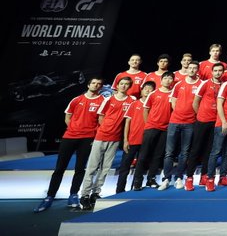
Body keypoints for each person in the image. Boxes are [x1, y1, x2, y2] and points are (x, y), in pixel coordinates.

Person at [35, 77, 104, 212]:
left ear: (101, 87)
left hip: (88, 138)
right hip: (70, 137)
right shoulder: (77, 99)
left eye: (99, 84)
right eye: (94, 83)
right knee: (60, 168)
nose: (96, 85)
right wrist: (74, 128)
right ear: (89, 85)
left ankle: (73, 195)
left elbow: (101, 120)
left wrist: (89, 132)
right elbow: (68, 116)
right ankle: (49, 197)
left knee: (80, 169)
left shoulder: (102, 101)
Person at [78, 77, 135, 209]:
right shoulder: (108, 99)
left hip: (115, 139)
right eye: (122, 84)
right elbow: (100, 116)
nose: (124, 86)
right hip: (101, 136)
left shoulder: (131, 101)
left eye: (127, 84)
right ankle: (84, 195)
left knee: (105, 168)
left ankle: (95, 193)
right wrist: (106, 129)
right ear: (117, 85)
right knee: (92, 167)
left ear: (129, 86)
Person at [159, 61, 200, 190]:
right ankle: (166, 179)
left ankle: (178, 178)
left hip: (190, 123)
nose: (192, 70)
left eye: (194, 68)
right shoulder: (179, 84)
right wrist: (179, 114)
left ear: (197, 70)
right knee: (169, 153)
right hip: (174, 121)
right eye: (190, 68)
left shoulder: (200, 84)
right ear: (186, 70)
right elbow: (174, 102)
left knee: (184, 153)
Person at [183, 63, 224, 191]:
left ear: (223, 72)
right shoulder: (205, 83)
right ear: (211, 72)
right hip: (202, 121)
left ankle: (204, 176)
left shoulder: (223, 85)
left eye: (220, 70)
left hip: (215, 122)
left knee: (209, 151)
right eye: (215, 70)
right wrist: (200, 115)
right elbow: (195, 102)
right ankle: (189, 178)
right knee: (196, 150)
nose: (217, 73)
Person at [132, 72, 174, 190]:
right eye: (165, 78)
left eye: (170, 78)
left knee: (158, 156)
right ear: (161, 80)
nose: (167, 80)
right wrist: (148, 124)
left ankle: (151, 179)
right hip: (151, 128)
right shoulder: (153, 94)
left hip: (165, 129)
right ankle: (138, 181)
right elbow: (146, 110)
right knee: (144, 155)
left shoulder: (173, 94)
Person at [116, 81, 155, 193]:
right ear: (141, 91)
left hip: (146, 140)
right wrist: (125, 140)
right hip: (132, 140)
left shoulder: (154, 105)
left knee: (141, 163)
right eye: (145, 88)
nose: (147, 90)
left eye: (150, 89)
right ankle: (120, 190)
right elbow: (127, 122)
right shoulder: (134, 104)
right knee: (125, 166)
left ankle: (137, 185)